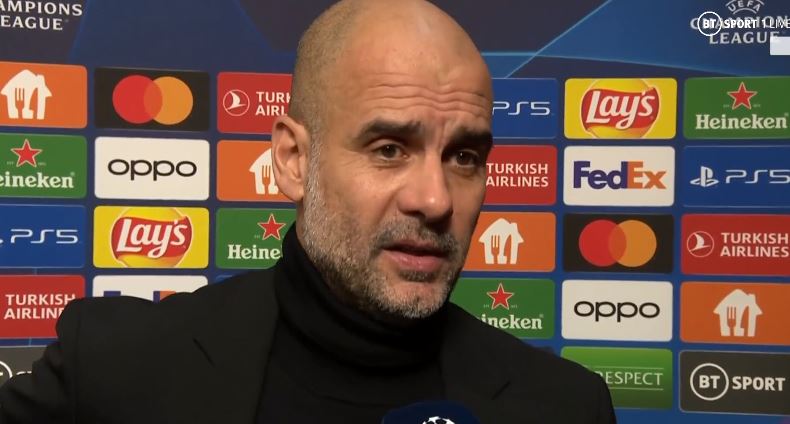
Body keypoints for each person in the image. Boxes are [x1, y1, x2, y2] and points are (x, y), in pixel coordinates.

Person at [0, 0, 616, 423]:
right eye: (389, 149)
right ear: (294, 160)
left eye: (464, 157)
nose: (435, 200)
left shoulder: (564, 408)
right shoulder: (115, 368)